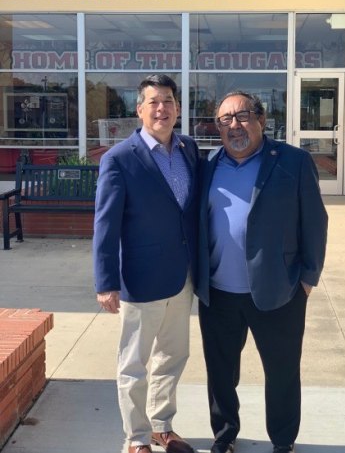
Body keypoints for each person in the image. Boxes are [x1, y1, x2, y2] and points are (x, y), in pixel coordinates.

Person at [196, 91, 328, 453]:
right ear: (218, 127)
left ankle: (283, 441)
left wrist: (307, 278)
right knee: (221, 374)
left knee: (282, 372)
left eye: (242, 116)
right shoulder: (207, 165)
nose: (234, 125)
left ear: (261, 119)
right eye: (225, 120)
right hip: (218, 293)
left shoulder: (293, 161)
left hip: (279, 291)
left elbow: (315, 222)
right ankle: (224, 436)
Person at [93, 74, 199, 453]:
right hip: (140, 280)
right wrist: (106, 282)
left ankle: (161, 425)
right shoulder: (119, 159)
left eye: (168, 100)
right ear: (139, 109)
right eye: (153, 102)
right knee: (134, 365)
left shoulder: (188, 148)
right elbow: (106, 224)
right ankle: (136, 439)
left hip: (182, 277)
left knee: (174, 356)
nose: (162, 108)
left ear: (177, 108)